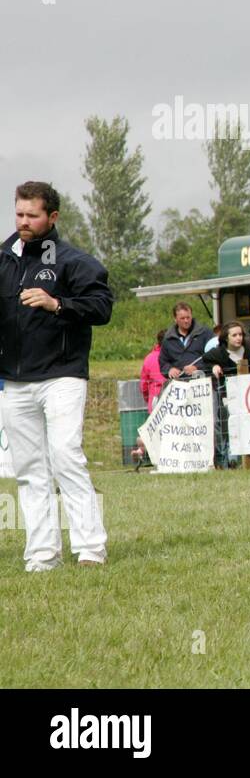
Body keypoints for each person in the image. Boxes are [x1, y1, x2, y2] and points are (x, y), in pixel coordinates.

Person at [0, 181, 113, 571]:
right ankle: (43, 553)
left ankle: (91, 547)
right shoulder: (3, 259)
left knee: (66, 456)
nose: (24, 222)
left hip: (62, 375)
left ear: (53, 217)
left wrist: (57, 303)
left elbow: (101, 307)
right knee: (29, 469)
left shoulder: (73, 261)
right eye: (19, 214)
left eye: (32, 215)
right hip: (15, 381)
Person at [201, 321, 249, 468]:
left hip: (249, 396)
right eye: (234, 335)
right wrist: (214, 366)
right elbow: (205, 362)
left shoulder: (249, 349)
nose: (238, 338)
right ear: (226, 338)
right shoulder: (218, 353)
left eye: (240, 334)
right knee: (227, 427)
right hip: (228, 397)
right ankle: (228, 460)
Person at [159, 302, 215, 379]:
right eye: (182, 318)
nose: (186, 321)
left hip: (202, 381)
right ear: (175, 319)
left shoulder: (205, 333)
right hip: (179, 384)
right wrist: (170, 369)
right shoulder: (168, 338)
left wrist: (197, 367)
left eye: (188, 317)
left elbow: (214, 356)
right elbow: (163, 362)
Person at [139, 329, 166, 413]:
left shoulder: (149, 358)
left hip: (155, 403)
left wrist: (149, 399)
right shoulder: (177, 357)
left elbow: (143, 386)